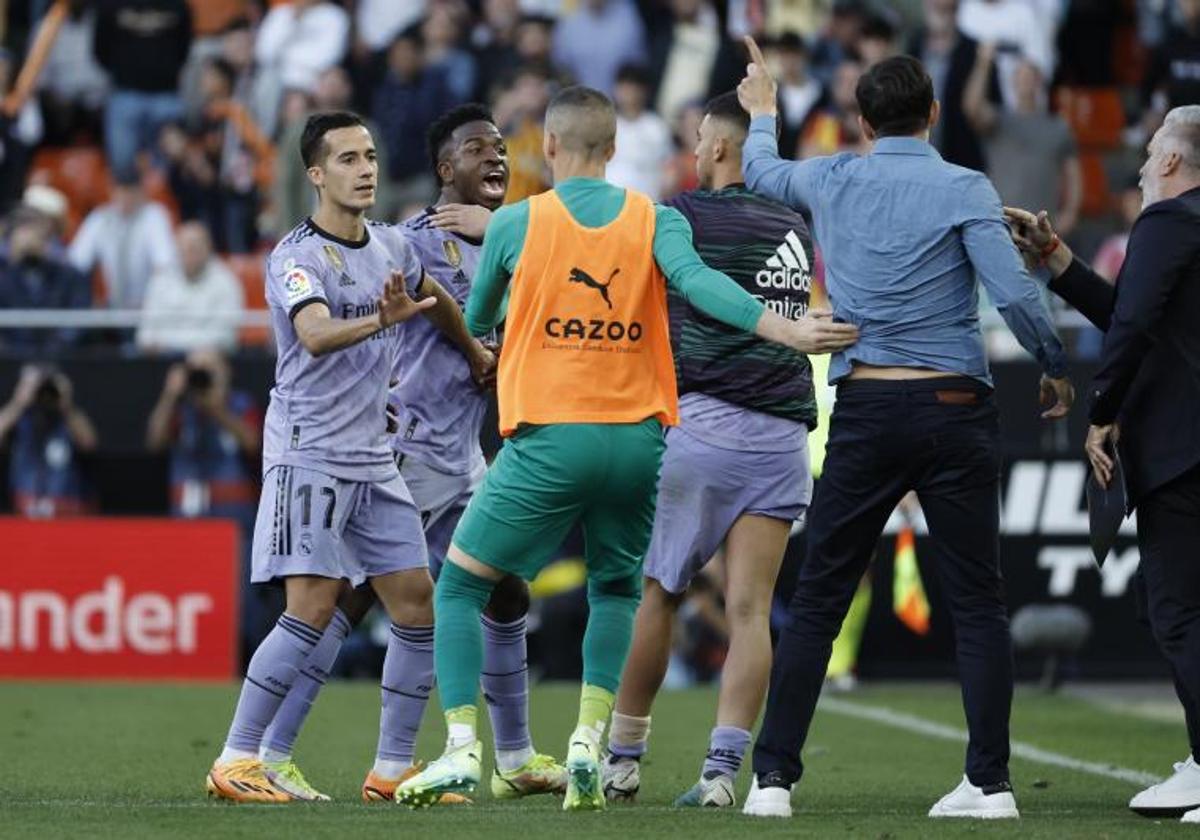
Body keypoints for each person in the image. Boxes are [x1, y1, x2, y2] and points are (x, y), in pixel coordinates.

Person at [393, 84, 857, 811]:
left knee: (459, 586)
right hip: (641, 443)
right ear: (614, 149)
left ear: (545, 147)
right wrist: (790, 330)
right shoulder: (652, 218)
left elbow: (483, 315)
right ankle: (589, 742)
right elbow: (703, 286)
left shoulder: (515, 223)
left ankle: (459, 750)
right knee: (618, 589)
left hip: (552, 437)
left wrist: (531, 299)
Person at [735, 44, 1073, 820]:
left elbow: (761, 172)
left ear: (858, 121)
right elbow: (1014, 294)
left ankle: (773, 781)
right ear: (934, 114)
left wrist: (762, 110)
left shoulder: (830, 175)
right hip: (956, 406)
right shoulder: (964, 185)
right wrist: (1053, 363)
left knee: (820, 598)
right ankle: (990, 784)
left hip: (869, 406)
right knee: (979, 603)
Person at [255, 103, 566, 803]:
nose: (494, 158)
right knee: (350, 601)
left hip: (465, 451)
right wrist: (474, 346)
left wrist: (482, 342)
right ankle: (274, 752)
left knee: (505, 588)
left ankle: (512, 757)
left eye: (500, 149)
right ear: (442, 168)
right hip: (409, 445)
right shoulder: (416, 238)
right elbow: (385, 280)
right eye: (475, 148)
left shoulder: (512, 236)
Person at [204, 110, 496, 804]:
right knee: (311, 606)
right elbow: (313, 335)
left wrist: (474, 348)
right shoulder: (295, 256)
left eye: (369, 156)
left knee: (416, 605)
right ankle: (237, 758)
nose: (365, 169)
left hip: (374, 458)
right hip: (310, 453)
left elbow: (437, 299)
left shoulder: (393, 247)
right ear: (315, 174)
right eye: (347, 159)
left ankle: (391, 768)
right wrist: (382, 320)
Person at [602, 91, 819, 809]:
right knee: (751, 610)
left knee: (659, 592)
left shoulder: (682, 216)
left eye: (699, 139)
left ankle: (623, 760)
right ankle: (724, 774)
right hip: (784, 438)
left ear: (722, 147)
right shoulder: (794, 221)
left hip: (706, 428)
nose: (692, 151)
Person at [1004, 105, 1200, 825]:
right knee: (1177, 607)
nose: (1142, 166)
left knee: (1177, 610)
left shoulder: (1167, 222)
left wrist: (1103, 409)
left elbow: (1136, 327)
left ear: (1176, 163)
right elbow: (1135, 313)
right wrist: (1058, 260)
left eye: (1151, 154)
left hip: (1185, 447)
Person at [145, 349, 265, 655]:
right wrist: (170, 396)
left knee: (240, 604)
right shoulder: (181, 409)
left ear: (225, 372)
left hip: (234, 527)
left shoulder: (240, 405)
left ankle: (242, 665)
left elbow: (252, 443)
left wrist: (217, 408)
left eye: (208, 369)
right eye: (194, 369)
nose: (200, 375)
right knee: (185, 599)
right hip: (187, 524)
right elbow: (154, 442)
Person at [964, 45, 1082, 239]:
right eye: (1021, 76)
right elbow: (972, 108)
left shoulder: (1058, 127)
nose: (1025, 81)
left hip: (1041, 228)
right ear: (1013, 81)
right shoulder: (999, 120)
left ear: (1040, 82)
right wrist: (983, 64)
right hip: (1001, 226)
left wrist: (1070, 212)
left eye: (1030, 76)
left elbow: (1073, 172)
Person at [93, 0, 192, 180]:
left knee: (169, 173)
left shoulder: (177, 4)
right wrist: (123, 71)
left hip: (166, 95)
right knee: (122, 167)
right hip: (124, 94)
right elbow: (100, 49)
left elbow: (184, 47)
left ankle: (162, 208)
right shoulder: (111, 4)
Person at [67, 172, 178, 311]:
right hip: (112, 308)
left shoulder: (154, 216)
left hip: (149, 308)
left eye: (131, 191)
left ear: (141, 192)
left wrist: (154, 302)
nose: (126, 197)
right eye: (121, 191)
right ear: (112, 191)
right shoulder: (100, 218)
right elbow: (76, 264)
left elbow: (164, 265)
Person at [0, 364, 97, 517]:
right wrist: (19, 402)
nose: (41, 392)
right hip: (24, 504)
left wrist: (65, 404)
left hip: (65, 504)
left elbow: (88, 443)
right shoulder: (19, 418)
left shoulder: (67, 418)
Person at [137, 223, 246, 353]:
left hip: (208, 361)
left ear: (208, 248)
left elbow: (226, 336)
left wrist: (180, 346)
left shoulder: (226, 281)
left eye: (195, 249)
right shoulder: (160, 281)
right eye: (184, 249)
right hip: (163, 358)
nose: (190, 255)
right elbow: (146, 334)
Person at [0, 208, 90, 353]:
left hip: (60, 362)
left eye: (41, 237)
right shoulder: (4, 278)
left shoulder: (68, 276)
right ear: (10, 241)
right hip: (9, 364)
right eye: (26, 235)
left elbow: (76, 325)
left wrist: (47, 361)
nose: (35, 243)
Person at [608, 64, 673, 201]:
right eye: (624, 86)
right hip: (609, 204)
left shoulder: (656, 126)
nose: (629, 93)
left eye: (634, 87)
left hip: (648, 203)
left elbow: (669, 167)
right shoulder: (606, 124)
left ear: (644, 91)